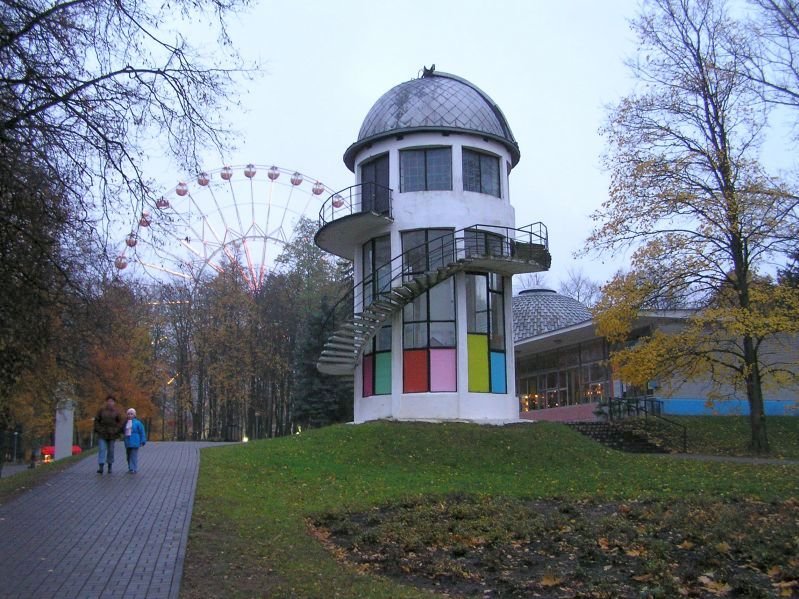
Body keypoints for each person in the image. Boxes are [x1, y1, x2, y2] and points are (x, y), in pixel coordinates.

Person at [94, 395, 123, 474]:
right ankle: (101, 467)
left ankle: (110, 466)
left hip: (112, 434)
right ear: (106, 402)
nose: (110, 403)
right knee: (102, 449)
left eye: (112, 401)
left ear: (114, 403)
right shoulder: (101, 411)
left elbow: (120, 422)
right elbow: (97, 421)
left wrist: (116, 430)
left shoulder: (116, 412)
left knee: (111, 450)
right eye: (109, 401)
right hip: (102, 433)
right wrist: (99, 429)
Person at [123, 408, 146, 473]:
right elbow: (123, 431)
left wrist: (142, 441)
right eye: (128, 414)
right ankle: (130, 467)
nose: (130, 415)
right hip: (127, 442)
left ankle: (133, 468)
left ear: (134, 415)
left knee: (133, 455)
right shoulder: (126, 423)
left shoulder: (138, 423)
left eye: (131, 414)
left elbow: (142, 432)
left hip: (135, 441)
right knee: (128, 456)